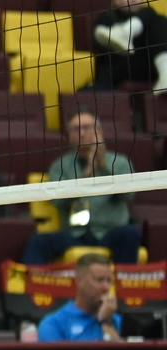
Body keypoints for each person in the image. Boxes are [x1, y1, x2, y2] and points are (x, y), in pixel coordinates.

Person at [24, 111, 142, 264]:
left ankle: (124, 285)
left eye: (86, 127)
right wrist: (87, 174)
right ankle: (31, 286)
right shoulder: (60, 166)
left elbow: (128, 196)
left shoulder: (120, 163)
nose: (81, 133)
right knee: (38, 242)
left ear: (99, 131)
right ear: (69, 135)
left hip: (111, 231)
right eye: (76, 129)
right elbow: (58, 203)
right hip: (75, 234)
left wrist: (103, 167)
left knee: (130, 234)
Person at [91, 0, 167, 91]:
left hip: (147, 68)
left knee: (155, 16)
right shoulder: (106, 19)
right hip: (117, 68)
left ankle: (125, 32)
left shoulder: (154, 22)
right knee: (151, 12)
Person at [37, 253, 123, 341]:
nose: (106, 287)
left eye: (109, 281)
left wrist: (106, 322)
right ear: (79, 281)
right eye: (99, 280)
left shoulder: (115, 320)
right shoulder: (54, 323)